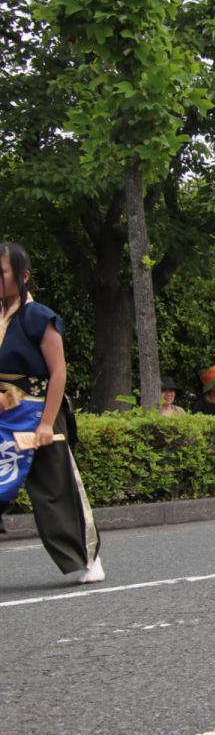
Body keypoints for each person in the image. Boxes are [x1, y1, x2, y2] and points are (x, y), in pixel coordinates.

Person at [0, 242, 104, 582]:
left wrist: (46, 423)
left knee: (54, 488)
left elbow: (58, 371)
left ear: (23, 275)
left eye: (1, 273)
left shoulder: (38, 317)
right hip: (3, 414)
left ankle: (86, 558)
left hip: (37, 413)